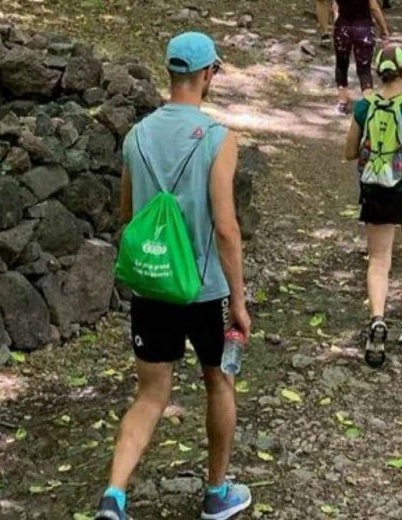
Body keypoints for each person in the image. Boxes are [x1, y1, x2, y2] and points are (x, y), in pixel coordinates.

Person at [96, 32, 252, 520]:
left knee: (150, 395)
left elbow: (127, 215)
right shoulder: (219, 139)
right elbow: (226, 228)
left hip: (152, 284)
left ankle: (114, 496)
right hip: (204, 290)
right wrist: (240, 302)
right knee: (219, 383)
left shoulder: (136, 136)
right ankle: (217, 493)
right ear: (209, 75)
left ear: (170, 73)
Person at [344, 45, 402, 366]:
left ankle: (377, 319)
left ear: (378, 71)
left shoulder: (364, 106)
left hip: (376, 190)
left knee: (379, 259)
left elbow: (349, 152)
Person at [315, 0, 392, 114]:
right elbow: (374, 7)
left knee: (341, 65)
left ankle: (343, 102)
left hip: (343, 28)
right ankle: (369, 101)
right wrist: (383, 28)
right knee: (364, 68)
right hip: (364, 27)